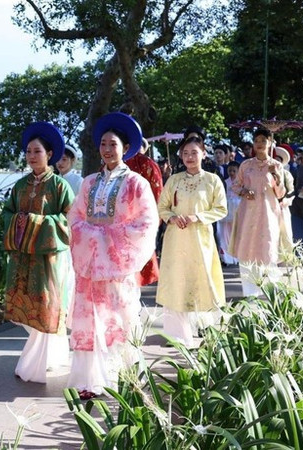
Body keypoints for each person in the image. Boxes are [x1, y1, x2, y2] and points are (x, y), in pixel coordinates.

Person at [67, 112, 158, 399]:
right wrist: (90, 235)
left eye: (113, 144)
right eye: (103, 144)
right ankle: (89, 380)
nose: (107, 149)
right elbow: (75, 217)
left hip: (117, 267)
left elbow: (146, 223)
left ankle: (122, 378)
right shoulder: (88, 183)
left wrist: (106, 237)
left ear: (126, 148)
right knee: (89, 320)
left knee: (119, 319)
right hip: (89, 267)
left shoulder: (136, 184)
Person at [3, 121, 75, 384]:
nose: (32, 156)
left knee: (47, 307)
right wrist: (19, 223)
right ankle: (51, 356)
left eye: (37, 151)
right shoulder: (20, 186)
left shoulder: (59, 186)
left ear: (50, 154)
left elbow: (70, 221)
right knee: (28, 306)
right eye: (28, 151)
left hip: (49, 259)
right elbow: (7, 214)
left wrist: (34, 223)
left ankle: (36, 364)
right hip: (23, 258)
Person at [157, 135, 227, 348]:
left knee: (203, 281)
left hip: (200, 240)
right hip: (176, 240)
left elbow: (221, 209)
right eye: (185, 153)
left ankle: (209, 332)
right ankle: (177, 336)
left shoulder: (212, 180)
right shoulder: (174, 180)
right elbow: (162, 207)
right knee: (176, 282)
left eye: (194, 152)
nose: (189, 157)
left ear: (203, 154)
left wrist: (198, 217)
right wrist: (171, 217)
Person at [229, 127, 286, 297]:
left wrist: (276, 176)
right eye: (257, 141)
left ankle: (271, 294)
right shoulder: (246, 165)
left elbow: (280, 193)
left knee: (268, 247)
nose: (260, 144)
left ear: (270, 143)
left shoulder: (276, 166)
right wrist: (244, 192)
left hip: (269, 214)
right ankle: (250, 295)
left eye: (263, 141)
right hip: (248, 213)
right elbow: (235, 186)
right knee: (248, 248)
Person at [124, 136, 163, 286]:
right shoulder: (105, 168)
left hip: (139, 223)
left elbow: (157, 195)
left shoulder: (147, 164)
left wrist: (152, 222)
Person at [217, 161, 241, 265]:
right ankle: (227, 257)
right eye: (230, 170)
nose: (231, 173)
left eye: (234, 171)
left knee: (236, 233)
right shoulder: (225, 182)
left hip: (237, 208)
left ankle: (237, 257)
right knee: (225, 233)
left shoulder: (241, 183)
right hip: (228, 209)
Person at [274, 146, 295, 257]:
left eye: (278, 160)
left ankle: (285, 257)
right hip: (268, 208)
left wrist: (284, 201)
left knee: (285, 232)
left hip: (282, 207)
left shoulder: (286, 174)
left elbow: (291, 191)